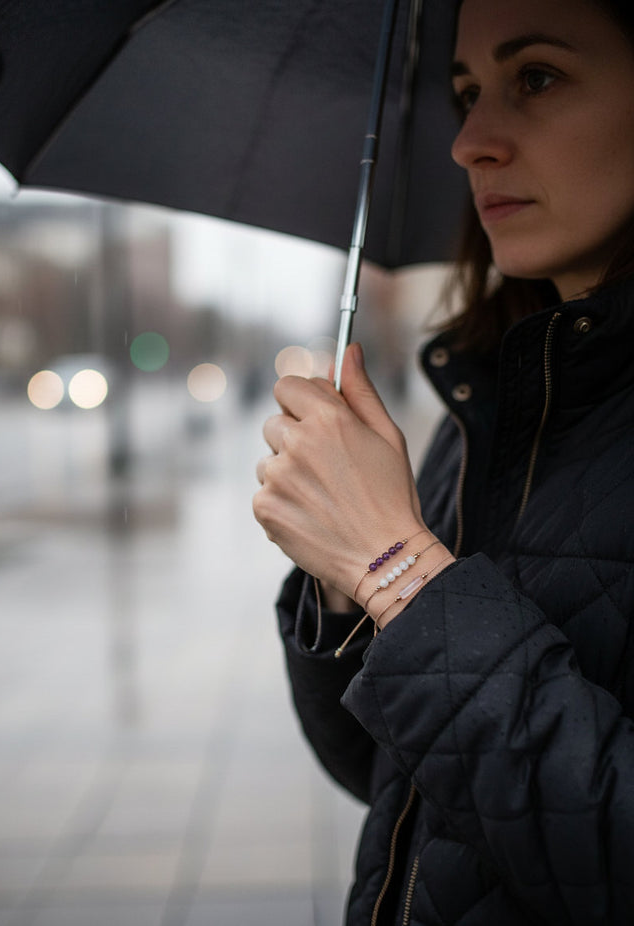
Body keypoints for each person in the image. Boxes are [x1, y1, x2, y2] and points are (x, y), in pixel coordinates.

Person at [252, 0, 634, 923]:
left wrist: (399, 567)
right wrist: (342, 579)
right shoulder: (494, 399)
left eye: (535, 77)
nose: (469, 142)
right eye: (465, 93)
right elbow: (386, 774)